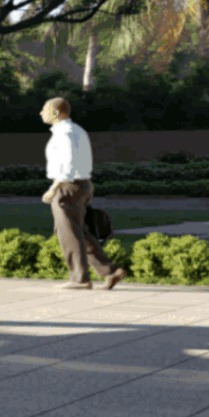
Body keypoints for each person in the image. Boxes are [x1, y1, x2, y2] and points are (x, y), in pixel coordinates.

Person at [43, 95, 125, 290]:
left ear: (55, 112)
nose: (41, 112)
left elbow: (67, 164)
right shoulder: (76, 130)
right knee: (76, 231)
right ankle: (110, 271)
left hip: (67, 187)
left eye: (44, 109)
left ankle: (79, 279)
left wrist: (53, 189)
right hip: (82, 185)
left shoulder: (65, 133)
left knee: (68, 232)